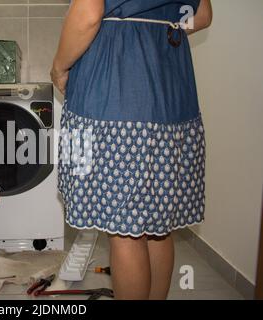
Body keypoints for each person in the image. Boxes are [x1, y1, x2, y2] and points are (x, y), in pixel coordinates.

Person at [52, 0, 212, 300]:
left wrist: (59, 68)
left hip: (117, 91)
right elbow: (202, 15)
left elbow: (87, 14)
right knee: (157, 226)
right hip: (170, 93)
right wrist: (155, 29)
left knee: (124, 229)